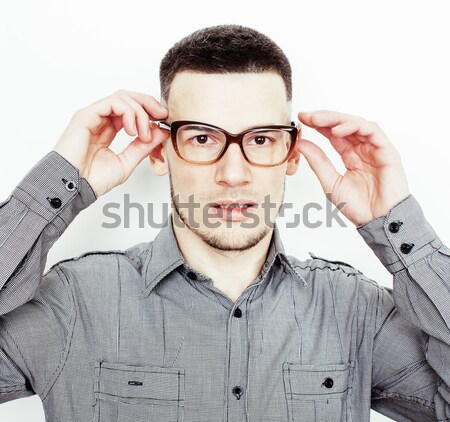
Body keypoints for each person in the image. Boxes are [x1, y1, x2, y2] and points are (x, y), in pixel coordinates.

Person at [0, 24, 448, 422]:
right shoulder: (73, 303)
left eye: (261, 139)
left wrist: (401, 229)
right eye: (201, 137)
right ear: (160, 151)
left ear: (290, 156)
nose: (233, 174)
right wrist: (53, 189)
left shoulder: (357, 310)